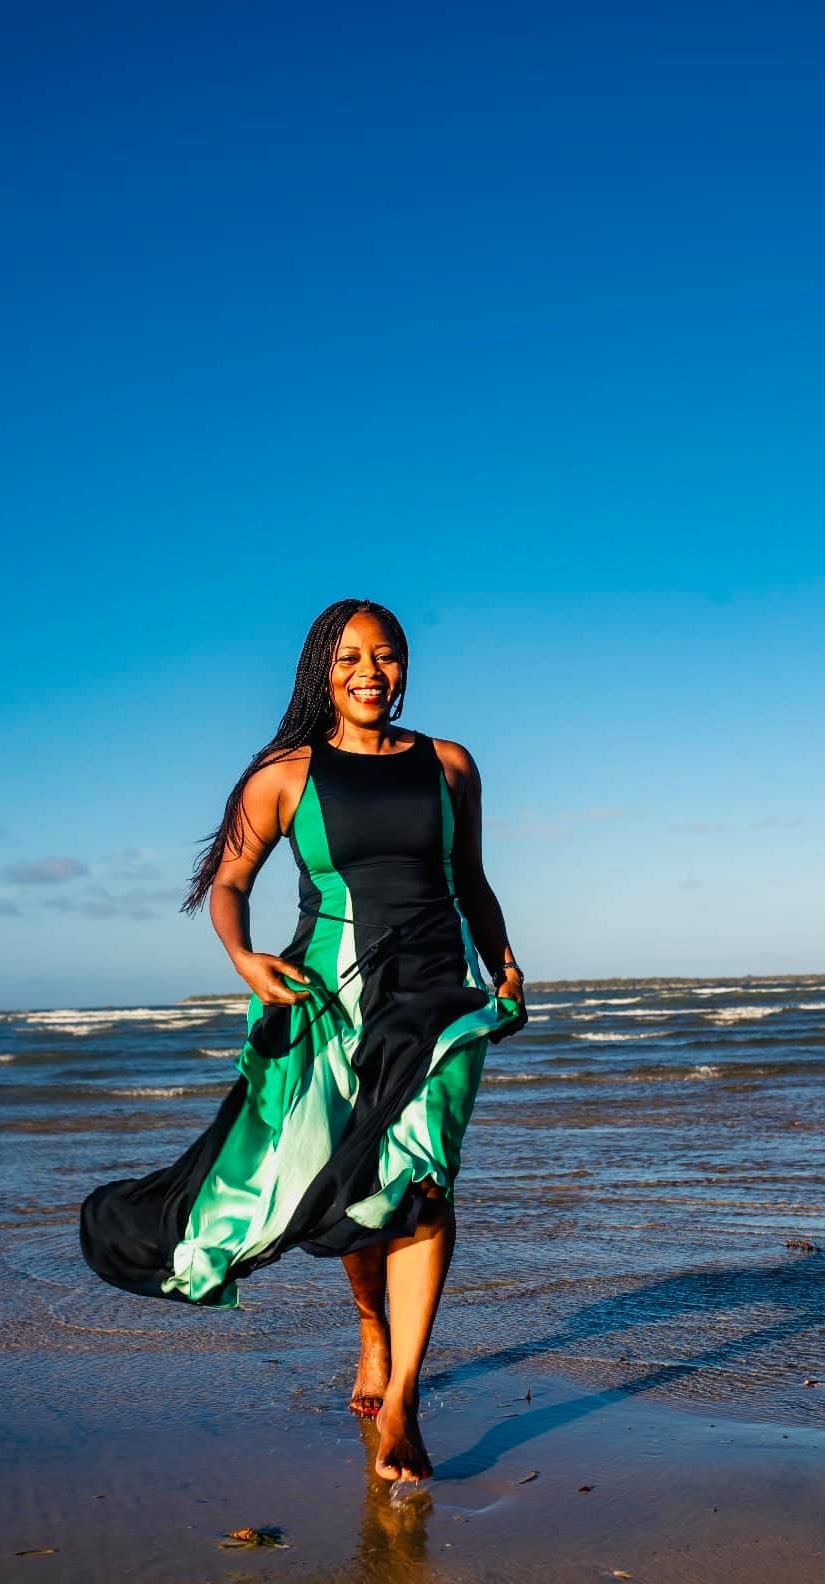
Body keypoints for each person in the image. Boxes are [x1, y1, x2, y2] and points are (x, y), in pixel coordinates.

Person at [80, 599, 527, 1480]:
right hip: (336, 995)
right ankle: (371, 1327)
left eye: (387, 654)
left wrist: (505, 963)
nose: (371, 670)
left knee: (426, 1178)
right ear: (322, 669)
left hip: (438, 994)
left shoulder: (449, 764)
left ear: (404, 667)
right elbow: (229, 881)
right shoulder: (285, 775)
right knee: (353, 1182)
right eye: (352, 655)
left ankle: (403, 1397)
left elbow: (470, 878)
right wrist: (244, 958)